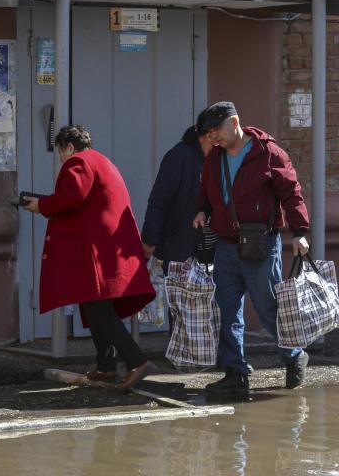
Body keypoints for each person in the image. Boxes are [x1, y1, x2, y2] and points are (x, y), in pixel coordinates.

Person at [24, 125, 156, 392]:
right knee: (94, 306)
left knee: (99, 309)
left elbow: (72, 197)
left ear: (69, 147)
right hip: (110, 247)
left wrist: (42, 206)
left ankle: (137, 361)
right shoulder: (103, 161)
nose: (62, 159)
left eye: (61, 153)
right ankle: (106, 367)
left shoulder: (78, 162)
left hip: (96, 251)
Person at [193, 101, 310, 395]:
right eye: (208, 132)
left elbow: (291, 194)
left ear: (234, 123)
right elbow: (206, 190)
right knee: (227, 311)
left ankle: (295, 356)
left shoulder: (268, 153)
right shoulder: (214, 158)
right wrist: (202, 210)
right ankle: (235, 373)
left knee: (269, 309)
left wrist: (299, 232)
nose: (212, 137)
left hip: (261, 244)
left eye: (216, 130)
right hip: (226, 246)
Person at [141, 110, 216, 273]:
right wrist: (149, 240)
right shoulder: (179, 156)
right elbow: (159, 201)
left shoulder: (219, 159)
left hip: (211, 253)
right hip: (179, 249)